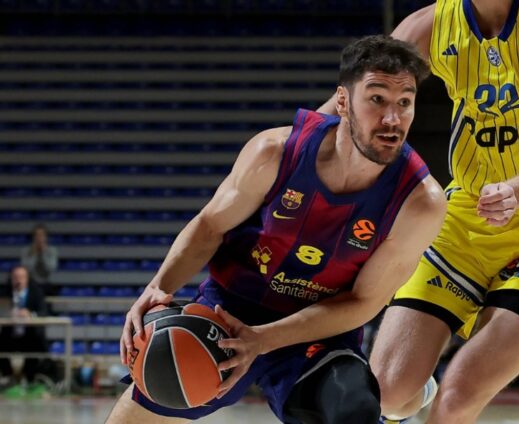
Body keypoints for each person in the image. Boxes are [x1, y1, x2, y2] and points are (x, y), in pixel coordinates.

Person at [105, 35, 446, 424]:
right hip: (228, 311)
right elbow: (209, 227)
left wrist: (264, 339)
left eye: (405, 103)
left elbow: (363, 302)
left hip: (317, 330)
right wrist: (158, 286)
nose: (392, 119)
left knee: (355, 408)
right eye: (377, 99)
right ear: (343, 101)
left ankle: (398, 399)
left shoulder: (420, 203)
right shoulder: (274, 152)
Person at [319, 1, 519, 422]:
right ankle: (416, 390)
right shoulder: (428, 26)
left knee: (458, 396)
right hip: (470, 215)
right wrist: (274, 161)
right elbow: (342, 114)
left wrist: (517, 190)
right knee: (388, 392)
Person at [0, 265, 49, 391]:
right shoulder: (4, 293)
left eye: (21, 277)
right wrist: (7, 314)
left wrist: (31, 314)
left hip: (30, 335)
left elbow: (44, 312)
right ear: (11, 279)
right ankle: (8, 378)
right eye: (15, 277)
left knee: (36, 345)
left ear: (27, 279)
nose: (18, 280)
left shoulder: (36, 292)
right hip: (9, 336)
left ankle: (30, 380)